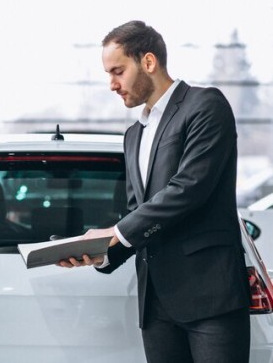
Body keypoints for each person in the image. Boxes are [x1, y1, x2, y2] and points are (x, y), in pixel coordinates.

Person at [58, 20, 251, 363]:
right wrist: (101, 252)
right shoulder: (133, 134)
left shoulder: (205, 105)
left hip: (211, 298)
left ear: (148, 62)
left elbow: (189, 189)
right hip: (157, 304)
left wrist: (115, 233)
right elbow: (139, 213)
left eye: (117, 71)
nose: (112, 84)